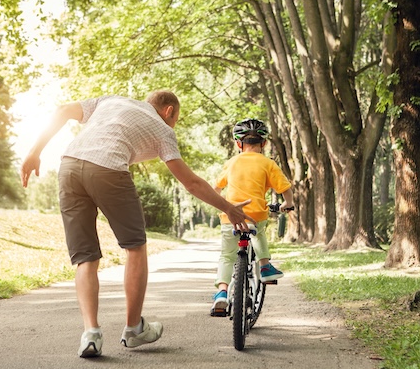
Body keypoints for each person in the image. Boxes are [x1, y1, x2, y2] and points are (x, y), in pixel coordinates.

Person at [20, 91, 255, 358]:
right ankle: (133, 329)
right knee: (135, 247)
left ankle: (91, 333)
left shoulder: (110, 101)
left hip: (69, 167)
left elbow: (62, 109)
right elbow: (191, 182)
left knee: (85, 257)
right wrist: (228, 208)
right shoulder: (163, 129)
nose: (173, 124)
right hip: (108, 170)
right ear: (168, 111)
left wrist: (34, 152)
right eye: (176, 119)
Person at [211, 118, 294, 313]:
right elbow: (285, 188)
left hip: (230, 216)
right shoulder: (268, 163)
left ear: (238, 144)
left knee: (226, 255)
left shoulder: (231, 162)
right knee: (259, 232)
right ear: (263, 143)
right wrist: (287, 204)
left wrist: (221, 206)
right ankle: (264, 266)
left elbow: (216, 189)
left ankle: (222, 292)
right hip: (256, 214)